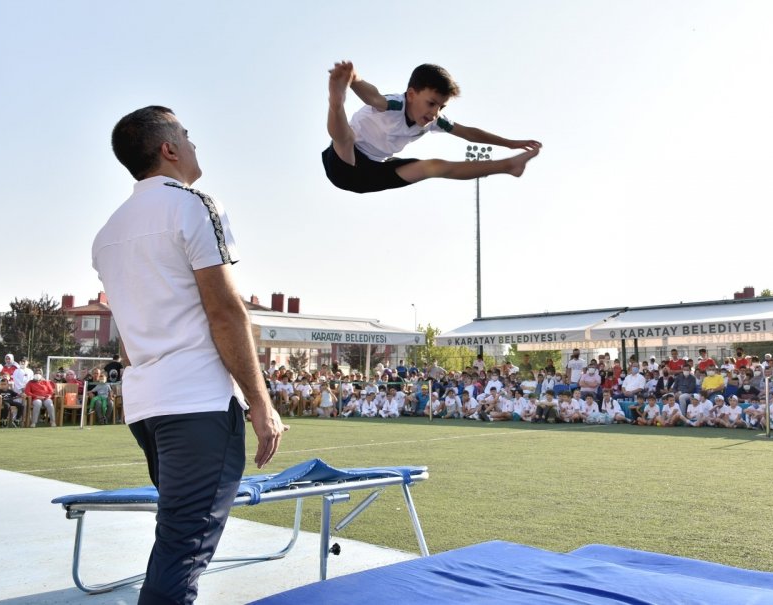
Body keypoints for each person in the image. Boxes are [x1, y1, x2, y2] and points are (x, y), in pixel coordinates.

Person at [94, 105, 286, 604]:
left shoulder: (107, 233)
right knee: (184, 550)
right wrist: (261, 404)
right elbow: (226, 312)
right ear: (169, 148)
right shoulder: (195, 204)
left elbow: (129, 340)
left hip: (147, 409)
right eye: (186, 133)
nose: (194, 142)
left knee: (176, 540)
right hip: (197, 404)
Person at [323, 61, 541, 194]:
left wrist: (510, 144)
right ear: (411, 94)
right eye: (431, 103)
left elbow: (468, 133)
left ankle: (508, 166)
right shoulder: (394, 105)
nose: (435, 112)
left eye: (441, 106)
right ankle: (336, 103)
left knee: (434, 166)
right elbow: (373, 97)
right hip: (343, 164)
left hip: (373, 172)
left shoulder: (435, 120)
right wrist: (355, 79)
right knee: (346, 139)